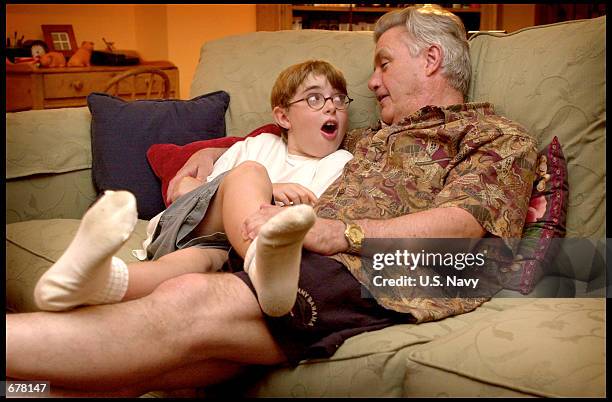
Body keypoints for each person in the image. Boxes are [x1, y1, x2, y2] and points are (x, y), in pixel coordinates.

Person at [6, 5, 537, 396]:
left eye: (383, 63)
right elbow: (286, 141)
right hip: (289, 254)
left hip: (373, 269)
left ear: (432, 58)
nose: (372, 82)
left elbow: (464, 228)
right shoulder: (371, 137)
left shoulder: (495, 137)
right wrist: (206, 153)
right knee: (181, 370)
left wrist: (341, 233)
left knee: (190, 299)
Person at [32, 59, 354, 317]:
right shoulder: (259, 146)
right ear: (283, 116)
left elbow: (318, 218)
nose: (331, 108)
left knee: (192, 267)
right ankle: (262, 263)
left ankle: (92, 282)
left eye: (340, 100)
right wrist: (270, 187)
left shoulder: (343, 163)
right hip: (196, 225)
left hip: (225, 251)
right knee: (250, 173)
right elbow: (209, 191)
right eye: (315, 98)